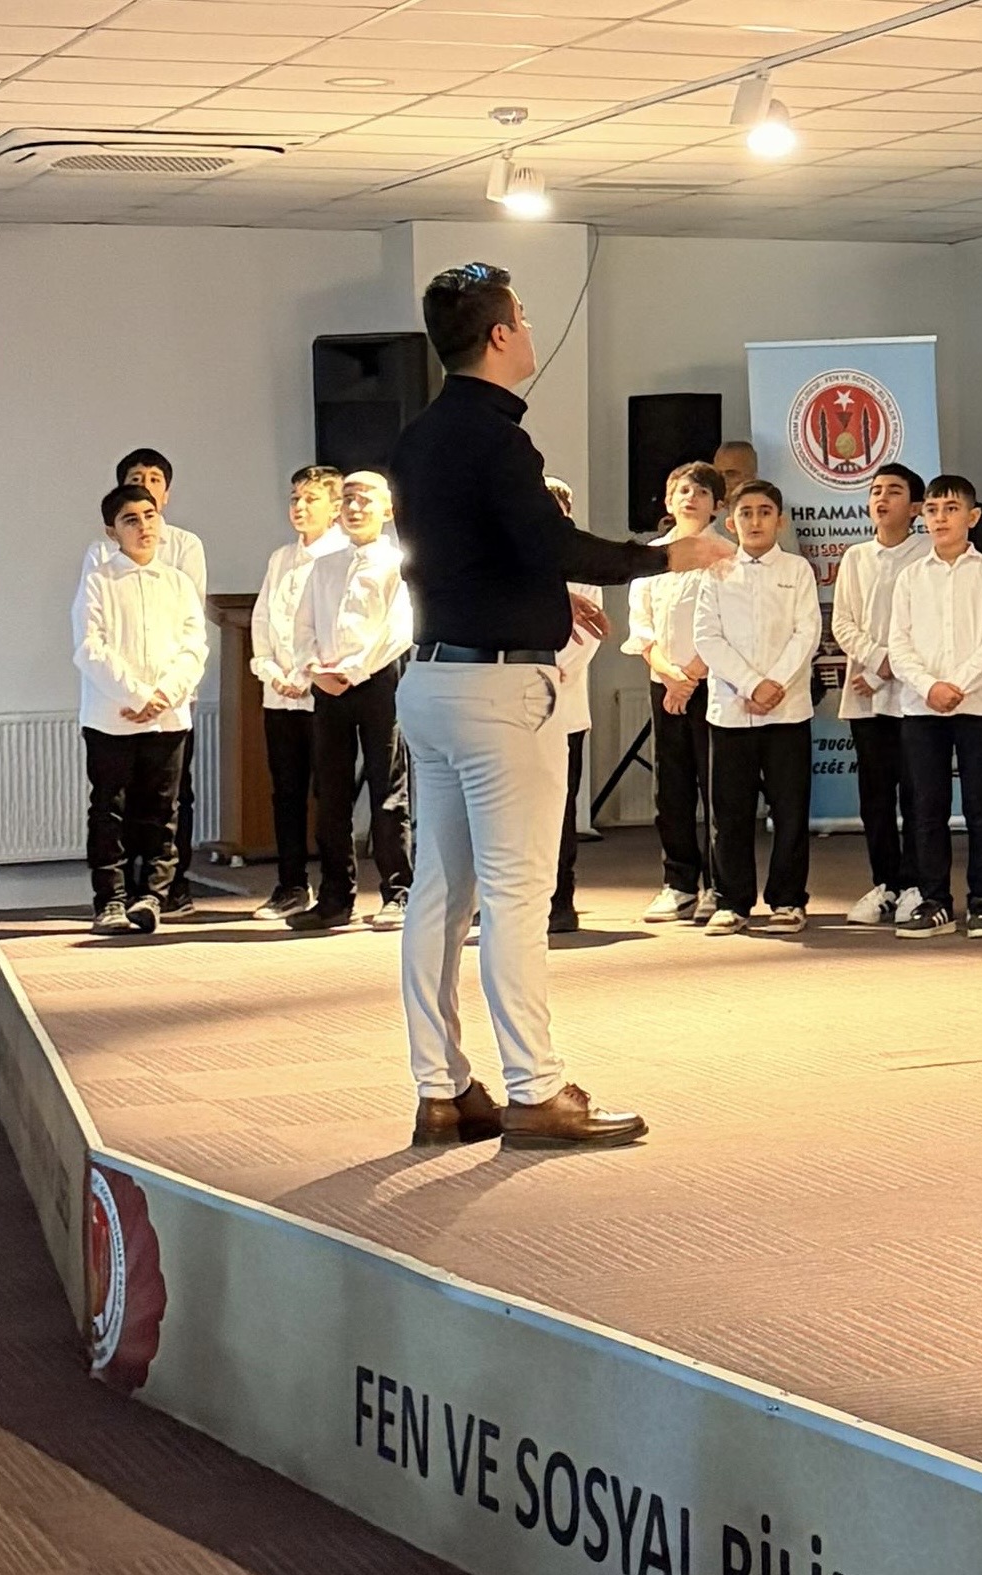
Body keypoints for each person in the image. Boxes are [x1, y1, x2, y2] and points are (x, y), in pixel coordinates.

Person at [386, 261, 726, 1149]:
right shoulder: (499, 439)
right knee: (516, 895)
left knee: (439, 895)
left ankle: (440, 1090)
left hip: (433, 675)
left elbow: (466, 554)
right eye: (525, 316)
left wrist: (538, 599)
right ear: (500, 334)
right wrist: (669, 555)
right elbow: (551, 543)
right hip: (502, 692)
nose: (532, 328)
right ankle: (535, 1091)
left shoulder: (417, 436)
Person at [886, 473, 982, 940]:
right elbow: (898, 645)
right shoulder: (910, 576)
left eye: (951, 509)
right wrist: (930, 687)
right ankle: (935, 900)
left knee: (981, 806)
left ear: (973, 517)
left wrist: (957, 685)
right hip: (922, 709)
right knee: (927, 807)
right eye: (933, 509)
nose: (940, 518)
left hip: (976, 706)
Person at [285, 469, 416, 934]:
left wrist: (354, 670)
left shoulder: (399, 563)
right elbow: (303, 625)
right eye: (349, 498)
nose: (355, 507)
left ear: (388, 510)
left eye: (366, 499)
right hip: (328, 685)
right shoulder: (324, 564)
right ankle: (335, 898)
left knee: (388, 790)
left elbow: (399, 629)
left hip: (378, 681)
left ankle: (398, 893)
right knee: (331, 791)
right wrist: (313, 667)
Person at [72, 482, 206, 935]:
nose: (144, 526)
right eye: (131, 520)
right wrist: (136, 696)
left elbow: (194, 646)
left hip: (168, 717)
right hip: (112, 717)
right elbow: (90, 647)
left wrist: (163, 695)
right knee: (109, 811)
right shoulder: (99, 580)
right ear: (112, 532)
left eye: (150, 516)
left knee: (162, 810)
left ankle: (152, 895)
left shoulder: (179, 583)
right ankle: (110, 900)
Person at [692, 478, 821, 935]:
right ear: (731, 523)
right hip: (731, 709)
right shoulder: (716, 571)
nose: (755, 521)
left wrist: (774, 684)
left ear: (780, 521)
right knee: (729, 812)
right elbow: (707, 636)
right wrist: (750, 684)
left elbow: (806, 633)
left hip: (787, 710)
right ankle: (731, 900)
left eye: (764, 512)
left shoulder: (798, 570)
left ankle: (788, 899)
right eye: (745, 513)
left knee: (790, 811)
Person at [103, 449, 210, 916]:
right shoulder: (102, 556)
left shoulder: (184, 545)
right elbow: (98, 634)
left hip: (172, 692)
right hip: (120, 697)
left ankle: (171, 885)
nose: (145, 485)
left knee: (172, 794)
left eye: (154, 479)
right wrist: (133, 691)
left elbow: (190, 618)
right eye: (136, 478)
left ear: (166, 493)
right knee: (120, 797)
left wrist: (164, 692)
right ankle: (126, 889)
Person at [831, 463, 932, 928]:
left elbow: (926, 623)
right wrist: (876, 662)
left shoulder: (928, 553)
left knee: (915, 792)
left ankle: (915, 883)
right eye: (875, 491)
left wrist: (890, 668)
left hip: (913, 694)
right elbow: (843, 622)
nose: (881, 498)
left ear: (914, 507)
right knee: (875, 796)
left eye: (893, 491)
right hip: (865, 695)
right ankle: (885, 883)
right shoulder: (856, 557)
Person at [627, 462, 726, 923]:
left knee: (717, 785)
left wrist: (692, 676)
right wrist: (670, 675)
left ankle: (719, 886)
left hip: (713, 683)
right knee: (671, 787)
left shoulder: (727, 555)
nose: (691, 498)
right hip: (665, 684)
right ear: (669, 501)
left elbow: (728, 623)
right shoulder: (651, 557)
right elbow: (642, 627)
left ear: (717, 505)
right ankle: (679, 883)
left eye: (702, 492)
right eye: (683, 491)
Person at [251, 465, 345, 918]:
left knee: (329, 793)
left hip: (322, 692)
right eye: (294, 498)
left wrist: (307, 675)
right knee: (286, 791)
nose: (299, 507)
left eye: (311, 499)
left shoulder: (342, 556)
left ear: (335, 507)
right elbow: (263, 621)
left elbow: (335, 627)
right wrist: (271, 670)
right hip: (280, 694)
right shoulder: (281, 559)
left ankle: (336, 886)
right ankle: (290, 884)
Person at [542, 477, 602, 937]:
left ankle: (560, 900)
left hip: (562, 706)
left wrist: (542, 669)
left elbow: (585, 637)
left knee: (560, 809)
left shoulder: (583, 566)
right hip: (514, 706)